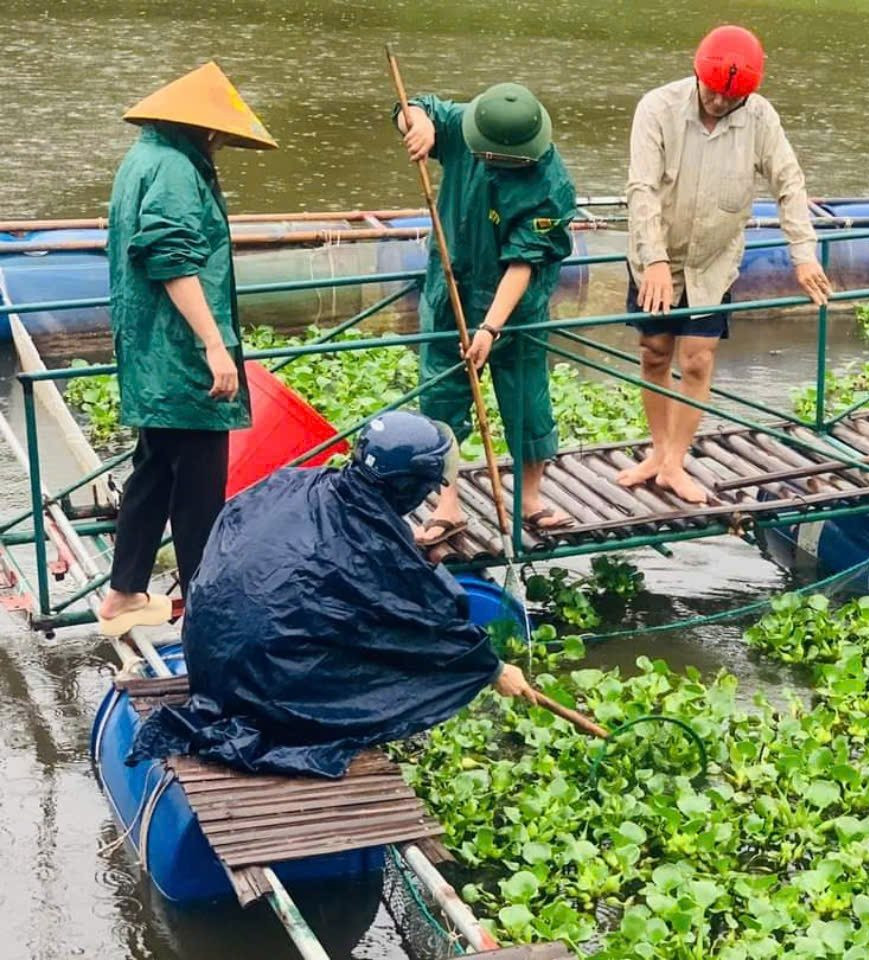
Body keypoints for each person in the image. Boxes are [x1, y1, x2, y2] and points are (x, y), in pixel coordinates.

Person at [129, 411, 537, 779]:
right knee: (388, 659)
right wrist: (491, 669)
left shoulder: (297, 482)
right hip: (265, 689)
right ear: (408, 486)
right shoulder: (373, 552)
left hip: (210, 658)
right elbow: (428, 626)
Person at [96, 62, 277, 637]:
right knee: (199, 481)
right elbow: (172, 261)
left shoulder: (143, 158)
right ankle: (205, 609)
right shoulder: (175, 168)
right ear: (204, 129)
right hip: (179, 354)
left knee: (153, 470)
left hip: (149, 349)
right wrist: (215, 346)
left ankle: (124, 593)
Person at [620, 25, 833, 504]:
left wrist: (803, 254)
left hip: (712, 260)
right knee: (655, 351)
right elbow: (642, 190)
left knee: (697, 358)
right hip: (658, 252)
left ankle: (675, 462)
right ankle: (656, 452)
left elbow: (789, 183)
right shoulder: (657, 108)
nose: (718, 102)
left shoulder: (759, 117)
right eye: (713, 91)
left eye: (729, 97)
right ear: (698, 75)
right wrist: (653, 258)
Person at [394, 82, 577, 546]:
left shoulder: (548, 184)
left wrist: (491, 327)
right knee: (443, 401)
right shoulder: (467, 125)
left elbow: (523, 262)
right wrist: (417, 125)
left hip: (516, 309)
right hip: (451, 288)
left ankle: (530, 498)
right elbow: (417, 104)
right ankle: (448, 505)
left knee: (527, 401)